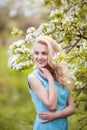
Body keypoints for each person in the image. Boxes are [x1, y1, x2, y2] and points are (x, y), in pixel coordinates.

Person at [27, 35, 74, 130]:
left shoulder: (61, 76)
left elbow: (71, 108)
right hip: (46, 126)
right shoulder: (33, 77)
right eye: (36, 53)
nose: (39, 57)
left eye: (44, 53)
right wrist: (50, 79)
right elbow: (52, 106)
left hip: (62, 126)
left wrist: (56, 115)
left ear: (52, 54)